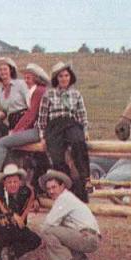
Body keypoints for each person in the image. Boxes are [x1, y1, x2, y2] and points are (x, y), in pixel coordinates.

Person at [0, 63, 50, 187]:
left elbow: (31, 114)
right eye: (25, 77)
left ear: (36, 78)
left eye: (28, 78)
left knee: (2, 142)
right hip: (30, 125)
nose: (25, 80)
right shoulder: (37, 90)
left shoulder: (38, 91)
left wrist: (16, 130)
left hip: (38, 129)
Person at [36, 62, 91, 202]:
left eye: (66, 75)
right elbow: (42, 118)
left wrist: (85, 130)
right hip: (54, 126)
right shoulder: (49, 94)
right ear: (56, 78)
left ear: (70, 77)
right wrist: (42, 137)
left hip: (71, 123)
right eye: (60, 76)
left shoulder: (76, 94)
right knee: (56, 156)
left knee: (78, 142)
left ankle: (86, 178)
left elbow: (81, 114)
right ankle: (66, 186)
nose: (64, 79)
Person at [37, 170, 100, 260]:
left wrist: (43, 239)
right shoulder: (67, 198)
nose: (51, 191)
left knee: (47, 231)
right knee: (57, 229)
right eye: (48, 189)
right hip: (90, 237)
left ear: (62, 186)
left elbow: (49, 223)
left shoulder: (64, 198)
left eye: (54, 187)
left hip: (87, 237)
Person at [0, 163, 41, 260]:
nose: (12, 184)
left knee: (36, 240)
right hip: (4, 229)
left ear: (20, 182)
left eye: (15, 181)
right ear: (4, 184)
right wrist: (11, 215)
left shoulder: (25, 192)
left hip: (18, 229)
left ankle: (13, 252)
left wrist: (36, 199)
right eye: (9, 182)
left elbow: (33, 192)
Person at [0, 57, 30, 129]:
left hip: (25, 121)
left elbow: (30, 104)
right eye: (0, 70)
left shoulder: (21, 84)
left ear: (10, 70)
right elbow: (4, 112)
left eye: (5, 69)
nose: (3, 72)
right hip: (12, 123)